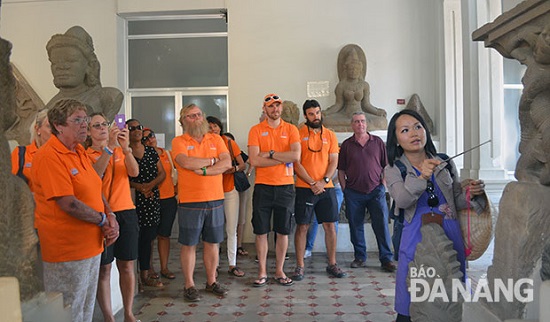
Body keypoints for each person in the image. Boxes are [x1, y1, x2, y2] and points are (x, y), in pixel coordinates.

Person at [384, 110, 486, 322]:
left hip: (449, 233)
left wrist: (473, 193)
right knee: (411, 298)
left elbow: (455, 200)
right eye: (405, 130)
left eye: (418, 126)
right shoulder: (394, 168)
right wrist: (421, 176)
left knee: (447, 296)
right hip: (415, 237)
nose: (414, 133)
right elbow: (402, 200)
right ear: (396, 140)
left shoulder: (445, 161)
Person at [31, 98, 119, 322]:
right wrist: (102, 220)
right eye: (77, 120)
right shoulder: (49, 156)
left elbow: (93, 186)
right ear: (59, 126)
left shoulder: (79, 151)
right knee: (69, 312)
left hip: (90, 246)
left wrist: (110, 215)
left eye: (85, 120)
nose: (84, 125)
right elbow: (67, 203)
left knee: (85, 310)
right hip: (67, 251)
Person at [172, 104, 231, 302]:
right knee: (189, 244)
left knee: (213, 243)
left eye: (198, 114)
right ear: (183, 121)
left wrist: (206, 168)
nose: (196, 118)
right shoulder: (179, 141)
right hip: (190, 200)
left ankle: (211, 281)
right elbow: (185, 163)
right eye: (191, 116)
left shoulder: (215, 138)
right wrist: (213, 161)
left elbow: (227, 163)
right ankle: (189, 285)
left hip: (215, 198)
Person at [86, 112, 140, 322]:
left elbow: (134, 173)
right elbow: (94, 176)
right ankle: (109, 317)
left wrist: (125, 149)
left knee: (127, 265)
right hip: (101, 215)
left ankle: (128, 312)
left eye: (104, 124)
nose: (101, 128)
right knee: (104, 268)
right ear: (89, 132)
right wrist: (108, 148)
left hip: (126, 210)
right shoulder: (87, 155)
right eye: (96, 126)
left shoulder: (119, 150)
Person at [248, 93, 300, 287]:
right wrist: (281, 157)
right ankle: (262, 272)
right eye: (271, 106)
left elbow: (295, 156)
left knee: (282, 231)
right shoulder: (255, 130)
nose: (275, 109)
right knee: (261, 231)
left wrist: (269, 154)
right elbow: (254, 160)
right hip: (263, 187)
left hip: (285, 187)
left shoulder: (292, 129)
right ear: (265, 109)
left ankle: (279, 270)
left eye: (277, 106)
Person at [292, 99, 346, 281]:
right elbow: (296, 162)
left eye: (317, 112)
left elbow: (333, 161)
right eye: (311, 114)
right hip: (304, 188)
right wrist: (311, 182)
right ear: (305, 115)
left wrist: (323, 181)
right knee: (302, 226)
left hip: (326, 188)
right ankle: (300, 266)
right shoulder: (298, 134)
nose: (315, 117)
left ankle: (332, 263)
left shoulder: (330, 135)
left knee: (330, 226)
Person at [338, 112, 395, 271]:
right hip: (353, 193)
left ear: (366, 124)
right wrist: (345, 190)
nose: (360, 124)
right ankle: (360, 257)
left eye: (362, 121)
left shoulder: (377, 142)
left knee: (381, 225)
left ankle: (386, 259)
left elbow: (386, 166)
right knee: (355, 226)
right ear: (352, 125)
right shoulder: (347, 145)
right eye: (356, 121)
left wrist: (383, 185)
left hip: (376, 191)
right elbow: (341, 170)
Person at [45, 26, 123, 121]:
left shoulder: (108, 97)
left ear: (89, 65)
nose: (61, 67)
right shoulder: (48, 109)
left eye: (70, 60)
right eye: (54, 62)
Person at [127, 118, 166, 290]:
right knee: (132, 239)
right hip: (132, 200)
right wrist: (140, 187)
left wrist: (149, 186)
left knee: (147, 239)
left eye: (139, 127)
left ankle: (145, 274)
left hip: (151, 199)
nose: (136, 130)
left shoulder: (151, 152)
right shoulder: (123, 153)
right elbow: (123, 178)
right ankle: (133, 278)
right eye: (131, 128)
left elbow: (162, 173)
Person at [207, 116, 247, 277]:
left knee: (231, 229)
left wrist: (234, 169)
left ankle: (232, 264)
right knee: (214, 231)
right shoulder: (204, 143)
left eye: (215, 126)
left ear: (220, 127)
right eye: (209, 127)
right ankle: (214, 266)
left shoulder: (229, 143)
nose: (213, 129)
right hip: (211, 191)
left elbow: (242, 164)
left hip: (229, 189)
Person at [141, 128, 178, 280]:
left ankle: (164, 267)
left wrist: (178, 191)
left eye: (151, 135)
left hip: (169, 199)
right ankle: (149, 268)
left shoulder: (167, 154)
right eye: (145, 139)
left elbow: (178, 172)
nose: (150, 140)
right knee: (149, 236)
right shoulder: (143, 156)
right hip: (151, 199)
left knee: (164, 235)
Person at [323, 44, 387, 131]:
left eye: (356, 69)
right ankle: (356, 126)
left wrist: (377, 112)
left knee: (382, 121)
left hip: (361, 115)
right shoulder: (341, 85)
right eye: (351, 69)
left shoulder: (364, 85)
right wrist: (326, 112)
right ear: (346, 70)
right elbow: (338, 105)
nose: (354, 71)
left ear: (361, 70)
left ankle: (355, 125)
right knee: (325, 121)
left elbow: (366, 104)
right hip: (346, 115)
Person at [304, 170, 343, 258]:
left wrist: (327, 182)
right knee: (314, 219)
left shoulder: (339, 156)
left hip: (335, 187)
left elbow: (342, 171)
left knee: (333, 220)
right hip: (316, 185)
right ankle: (308, 248)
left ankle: (331, 252)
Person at [224, 132, 250, 257]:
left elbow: (250, 162)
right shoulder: (219, 152)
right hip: (223, 187)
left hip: (239, 186)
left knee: (240, 217)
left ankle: (238, 245)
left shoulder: (239, 153)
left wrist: (247, 173)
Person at [11, 108, 51, 191]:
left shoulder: (65, 154)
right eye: (49, 126)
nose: (54, 131)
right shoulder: (21, 154)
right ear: (37, 129)